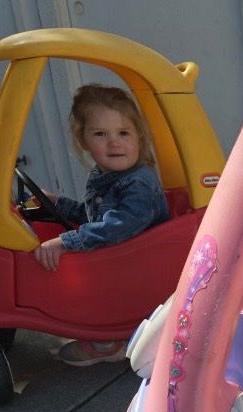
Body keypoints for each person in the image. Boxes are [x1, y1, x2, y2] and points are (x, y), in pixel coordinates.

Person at [33, 84, 169, 366]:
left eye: (123, 133)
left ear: (138, 136)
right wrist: (59, 204)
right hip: (121, 260)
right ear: (83, 140)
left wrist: (66, 241)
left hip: (137, 270)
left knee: (84, 278)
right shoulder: (104, 174)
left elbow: (117, 227)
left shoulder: (138, 183)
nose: (114, 143)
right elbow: (94, 216)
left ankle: (110, 341)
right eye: (100, 134)